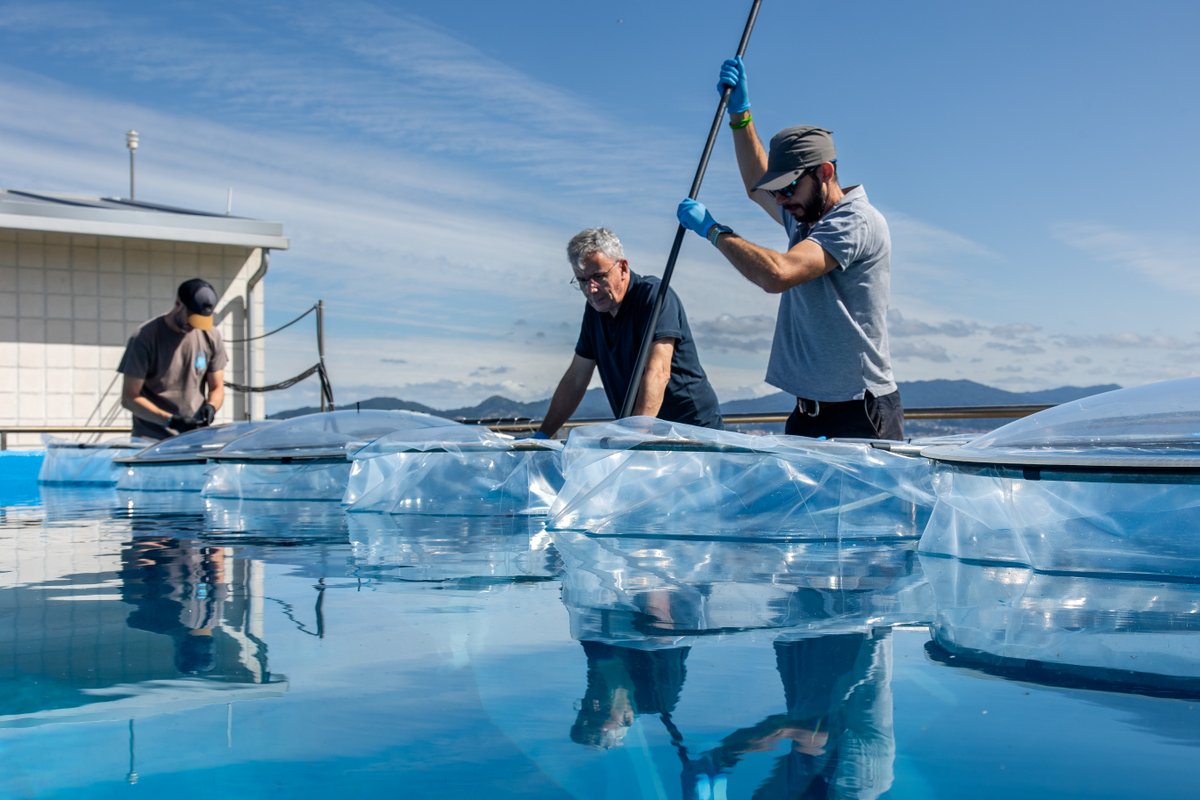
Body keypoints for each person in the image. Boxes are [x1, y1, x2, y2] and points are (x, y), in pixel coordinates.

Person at [676, 56, 904, 441]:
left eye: (788, 188)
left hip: (859, 413)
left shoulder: (855, 221)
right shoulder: (805, 217)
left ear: (825, 173)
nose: (780, 200)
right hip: (807, 413)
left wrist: (715, 232)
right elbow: (755, 183)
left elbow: (778, 274)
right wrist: (740, 115)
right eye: (778, 191)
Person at [536, 227, 722, 438]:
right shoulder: (595, 311)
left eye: (598, 276)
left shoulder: (655, 296)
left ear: (623, 267)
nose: (591, 290)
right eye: (582, 281)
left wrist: (633, 437)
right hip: (645, 432)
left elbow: (658, 374)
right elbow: (576, 379)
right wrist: (542, 435)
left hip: (692, 430)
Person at [118, 278, 227, 440]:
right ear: (178, 304)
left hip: (194, 438)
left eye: (200, 321)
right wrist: (170, 421)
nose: (194, 326)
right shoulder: (145, 337)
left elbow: (217, 387)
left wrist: (211, 407)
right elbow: (129, 398)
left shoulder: (211, 335)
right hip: (150, 441)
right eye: (191, 319)